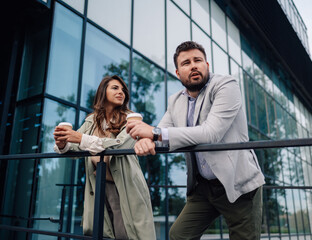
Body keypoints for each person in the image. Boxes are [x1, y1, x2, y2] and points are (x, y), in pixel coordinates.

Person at [126, 41, 265, 240]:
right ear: (177, 72)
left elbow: (210, 134)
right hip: (203, 188)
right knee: (179, 235)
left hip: (238, 183)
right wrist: (147, 141)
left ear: (206, 65)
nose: (193, 66)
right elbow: (162, 134)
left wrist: (154, 134)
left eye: (198, 60)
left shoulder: (226, 85)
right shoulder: (175, 100)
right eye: (186, 63)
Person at [53, 75, 156, 240]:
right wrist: (61, 143)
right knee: (102, 233)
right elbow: (73, 149)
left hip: (124, 185)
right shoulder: (91, 121)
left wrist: (81, 139)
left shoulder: (132, 119)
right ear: (103, 92)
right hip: (98, 185)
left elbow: (119, 145)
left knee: (126, 233)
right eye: (115, 88)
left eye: (123, 90)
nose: (120, 92)